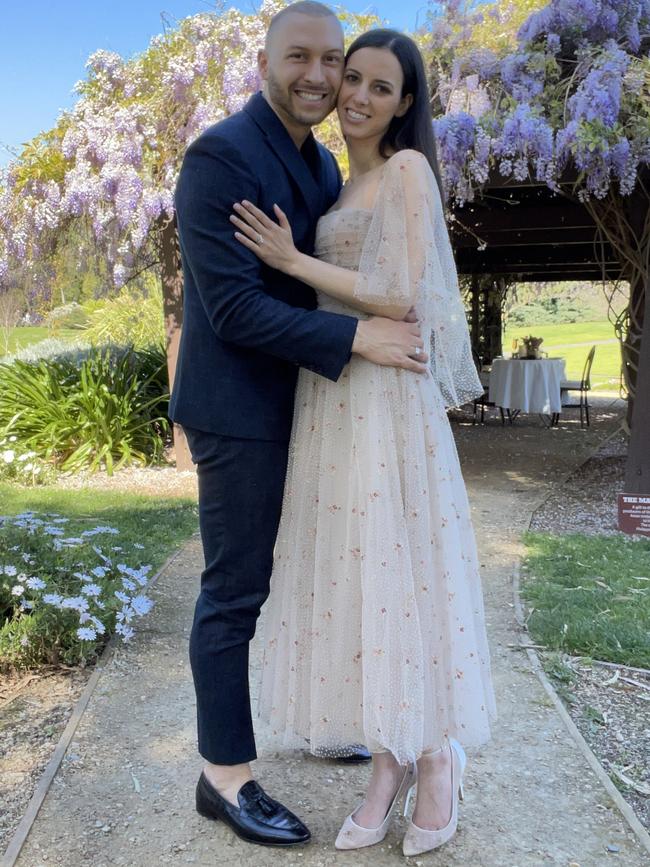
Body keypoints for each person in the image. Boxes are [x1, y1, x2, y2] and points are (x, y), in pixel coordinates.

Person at [230, 28, 497, 857]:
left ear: (405, 103)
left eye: (381, 87)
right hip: (333, 399)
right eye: (353, 80)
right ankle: (389, 755)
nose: (358, 97)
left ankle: (433, 755)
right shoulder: (338, 188)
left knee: (401, 569)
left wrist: (290, 260)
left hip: (386, 401)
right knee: (360, 578)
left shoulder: (408, 172)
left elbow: (398, 291)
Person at [170, 1, 429, 850]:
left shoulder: (321, 166)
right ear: (264, 61)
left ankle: (324, 723)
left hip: (313, 407)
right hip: (240, 410)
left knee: (319, 576)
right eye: (302, 58)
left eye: (335, 61)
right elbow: (236, 308)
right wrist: (360, 336)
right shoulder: (221, 156)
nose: (320, 76)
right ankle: (225, 776)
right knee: (235, 589)